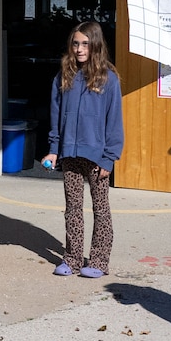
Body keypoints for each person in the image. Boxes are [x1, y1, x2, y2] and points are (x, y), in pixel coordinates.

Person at [43, 20, 124, 278]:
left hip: (97, 157)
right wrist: (54, 149)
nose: (79, 49)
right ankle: (73, 258)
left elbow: (114, 122)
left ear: (95, 45)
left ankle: (99, 261)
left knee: (100, 209)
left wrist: (109, 158)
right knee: (73, 208)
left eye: (85, 44)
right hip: (69, 154)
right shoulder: (63, 76)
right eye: (75, 43)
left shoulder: (109, 80)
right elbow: (56, 116)